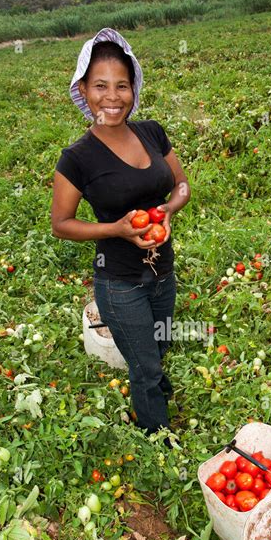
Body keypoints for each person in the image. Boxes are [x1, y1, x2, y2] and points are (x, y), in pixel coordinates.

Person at [51, 28, 191, 439]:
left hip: (162, 270)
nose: (112, 97)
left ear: (134, 89)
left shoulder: (151, 132)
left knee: (160, 345)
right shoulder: (77, 158)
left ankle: (156, 394)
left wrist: (167, 209)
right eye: (100, 86)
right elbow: (61, 224)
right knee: (144, 364)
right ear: (82, 89)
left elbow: (181, 184)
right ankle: (157, 435)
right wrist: (117, 229)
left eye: (122, 86)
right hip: (120, 283)